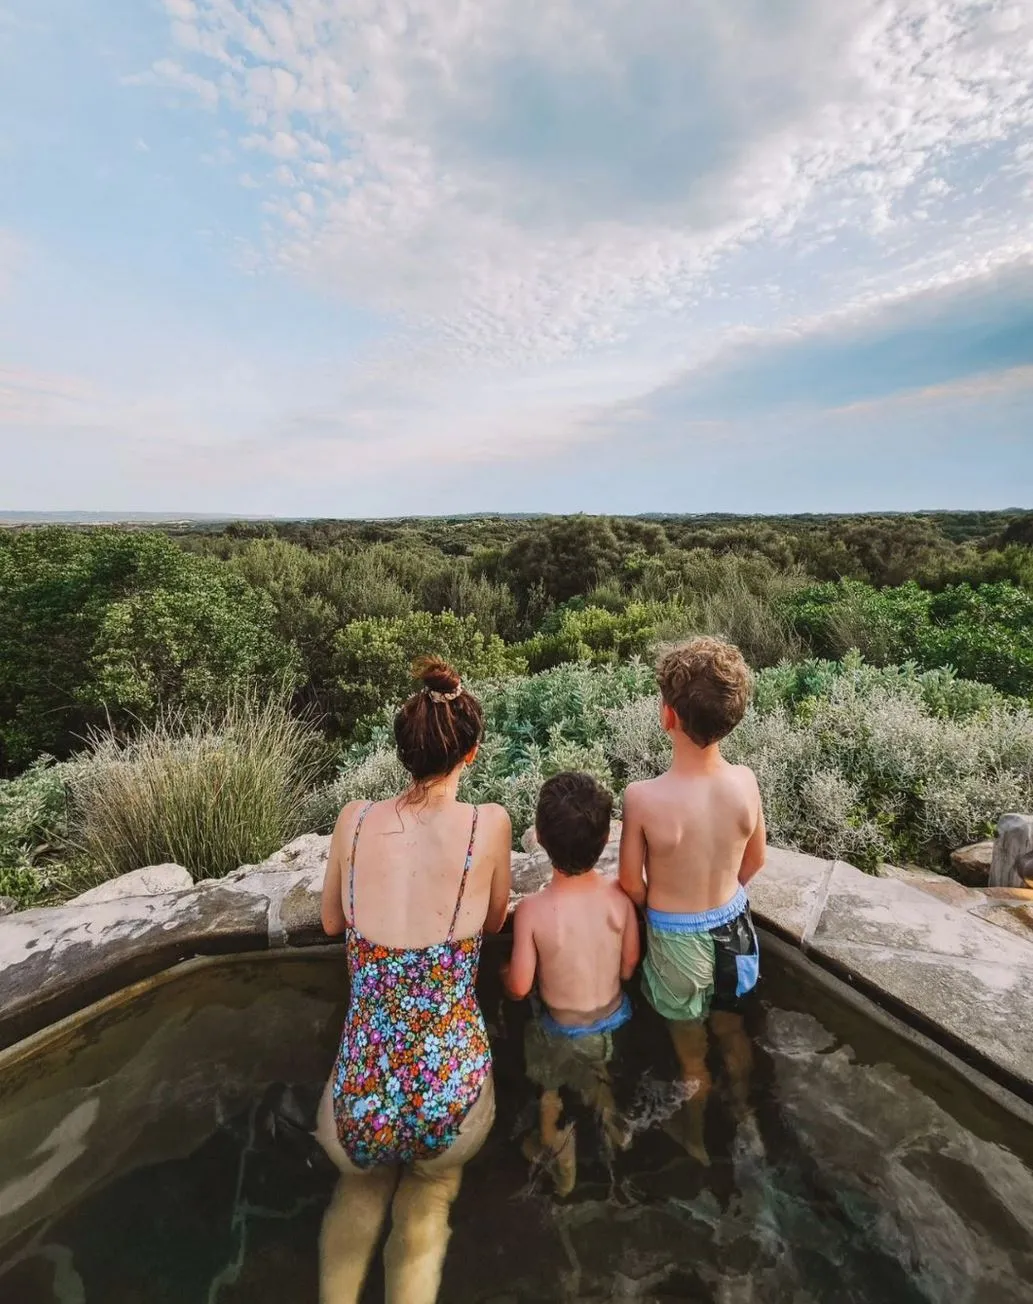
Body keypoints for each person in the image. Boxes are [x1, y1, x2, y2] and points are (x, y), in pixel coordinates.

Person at [314, 658, 512, 1304]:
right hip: (448, 1090)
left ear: (401, 751)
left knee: (358, 1191)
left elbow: (328, 920)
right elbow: (494, 918)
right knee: (427, 1204)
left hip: (360, 1089)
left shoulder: (353, 818)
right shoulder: (489, 825)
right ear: (472, 753)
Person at [618, 637, 766, 1165]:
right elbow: (755, 862)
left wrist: (661, 902)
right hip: (736, 928)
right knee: (731, 1029)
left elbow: (632, 885)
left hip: (679, 943)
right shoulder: (745, 783)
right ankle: (746, 1111)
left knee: (690, 1055)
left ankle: (697, 1139)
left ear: (667, 716)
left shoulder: (643, 798)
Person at [504, 771, 640, 1195]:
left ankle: (554, 1145)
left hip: (559, 1029)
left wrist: (502, 977)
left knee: (550, 1087)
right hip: (613, 1018)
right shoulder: (619, 900)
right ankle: (615, 1124)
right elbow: (629, 965)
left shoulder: (532, 911)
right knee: (598, 1073)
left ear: (540, 839)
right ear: (604, 842)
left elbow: (521, 987)